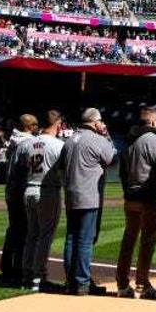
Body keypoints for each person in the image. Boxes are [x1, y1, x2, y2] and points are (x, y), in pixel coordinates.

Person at [60, 108, 116, 296]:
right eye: (100, 121)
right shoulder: (97, 140)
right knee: (85, 240)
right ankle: (82, 282)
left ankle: (70, 281)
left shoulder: (69, 140)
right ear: (95, 122)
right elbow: (112, 159)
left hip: (70, 194)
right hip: (89, 196)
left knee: (71, 238)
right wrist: (107, 135)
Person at [117, 106, 156, 301]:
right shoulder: (154, 139)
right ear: (153, 121)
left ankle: (122, 284)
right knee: (147, 240)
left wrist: (128, 190)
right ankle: (142, 284)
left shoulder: (129, 140)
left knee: (129, 238)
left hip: (131, 196)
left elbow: (121, 172)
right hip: (149, 198)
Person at [15, 111, 64, 291]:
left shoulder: (26, 143)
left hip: (28, 188)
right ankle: (38, 276)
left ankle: (27, 275)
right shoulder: (59, 145)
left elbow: (18, 170)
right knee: (45, 235)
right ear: (58, 124)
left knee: (32, 234)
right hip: (47, 191)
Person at [0, 115, 38, 285]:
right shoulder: (26, 141)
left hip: (11, 188)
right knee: (24, 230)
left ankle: (8, 267)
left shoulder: (14, 139)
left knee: (14, 229)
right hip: (19, 189)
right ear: (30, 126)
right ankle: (18, 268)